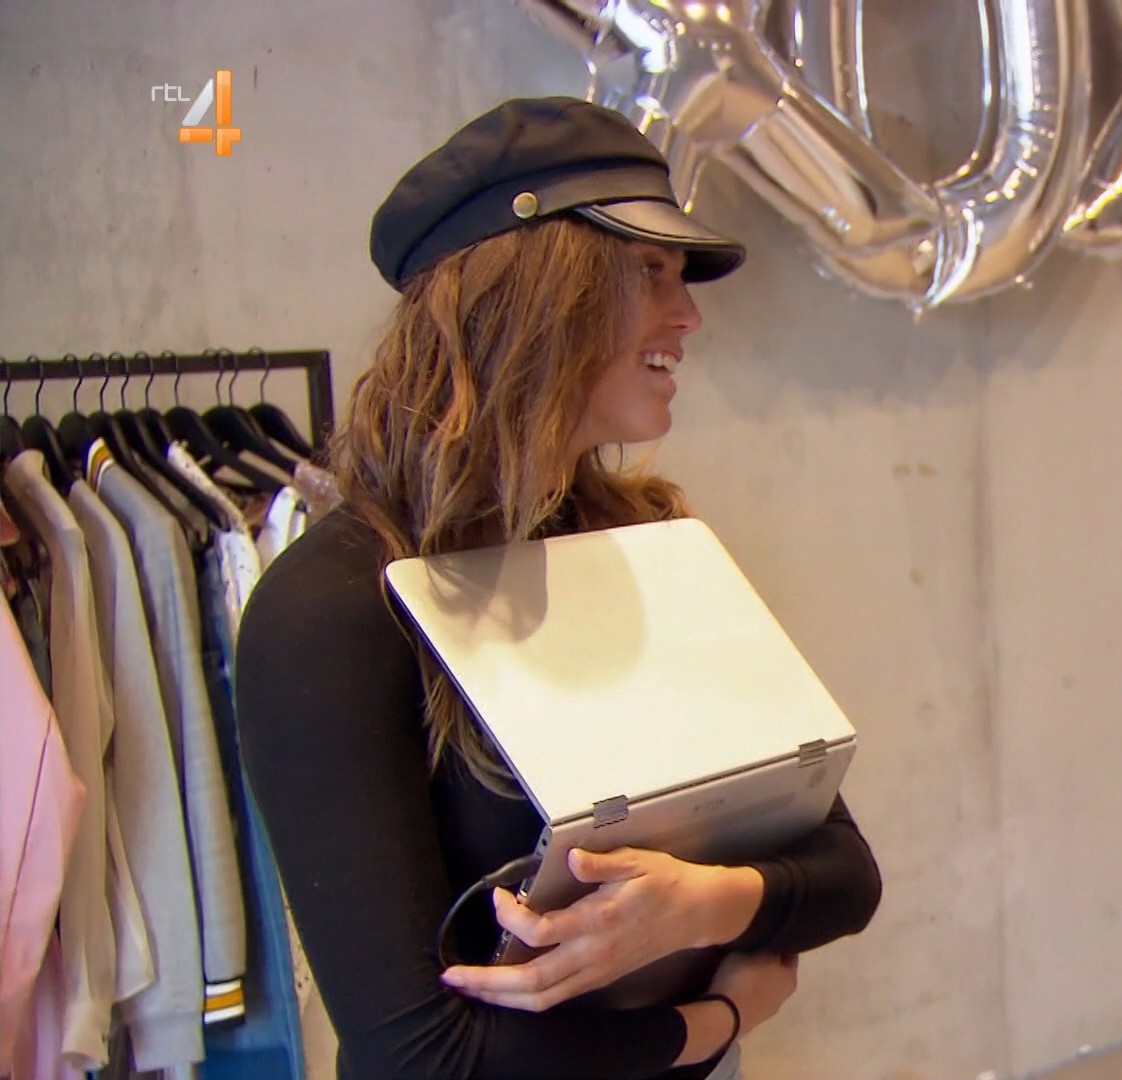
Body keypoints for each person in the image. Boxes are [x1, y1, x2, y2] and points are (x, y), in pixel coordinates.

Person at [234, 97, 883, 1080]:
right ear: (538, 292)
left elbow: (845, 873)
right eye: (649, 271)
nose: (689, 315)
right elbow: (418, 1058)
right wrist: (715, 1019)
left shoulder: (651, 550)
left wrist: (698, 905)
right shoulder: (327, 612)